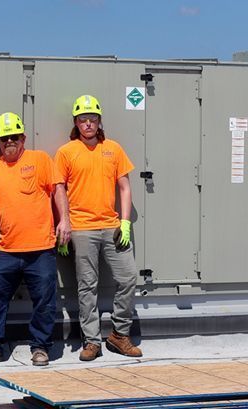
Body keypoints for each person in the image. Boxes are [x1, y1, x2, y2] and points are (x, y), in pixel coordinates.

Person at [0, 112, 71, 367]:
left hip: (41, 249)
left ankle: (40, 347)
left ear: (23, 137)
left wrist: (65, 220)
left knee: (45, 302)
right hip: (5, 250)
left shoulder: (40, 160)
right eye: (4, 138)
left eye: (14, 137)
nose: (9, 142)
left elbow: (58, 188)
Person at [55, 95, 143, 361]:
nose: (88, 123)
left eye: (93, 118)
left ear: (99, 121)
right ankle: (92, 341)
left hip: (112, 226)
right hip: (81, 229)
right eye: (83, 119)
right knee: (87, 286)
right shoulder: (66, 152)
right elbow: (59, 188)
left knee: (128, 277)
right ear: (76, 123)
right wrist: (64, 221)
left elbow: (125, 187)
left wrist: (125, 222)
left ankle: (119, 335)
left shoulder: (113, 149)